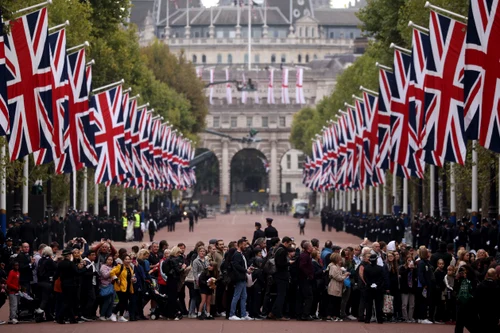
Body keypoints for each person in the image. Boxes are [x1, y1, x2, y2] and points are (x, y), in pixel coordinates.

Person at [229, 238, 252, 321]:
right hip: (239, 277)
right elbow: (237, 266)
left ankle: (243, 314)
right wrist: (246, 270)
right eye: (244, 245)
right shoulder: (237, 254)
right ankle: (232, 314)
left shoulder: (241, 254)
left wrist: (247, 269)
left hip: (242, 277)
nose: (245, 246)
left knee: (244, 296)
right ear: (240, 244)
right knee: (237, 296)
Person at [110, 254, 135, 322]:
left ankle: (121, 316)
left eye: (128, 259)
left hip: (128, 287)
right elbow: (112, 272)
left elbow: (132, 276)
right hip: (120, 287)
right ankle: (114, 313)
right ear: (123, 260)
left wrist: (133, 279)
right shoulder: (119, 266)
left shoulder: (130, 267)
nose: (127, 261)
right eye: (126, 259)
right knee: (122, 301)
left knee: (124, 302)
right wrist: (116, 279)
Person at [164, 246, 186, 320]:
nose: (179, 254)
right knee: (173, 298)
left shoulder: (168, 259)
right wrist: (183, 267)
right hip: (173, 280)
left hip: (169, 280)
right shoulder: (173, 260)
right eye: (178, 252)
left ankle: (169, 314)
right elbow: (178, 271)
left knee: (170, 298)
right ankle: (172, 314)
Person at [327, 253, 350, 322]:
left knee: (335, 301)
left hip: (337, 286)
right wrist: (345, 275)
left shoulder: (335, 266)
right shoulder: (334, 267)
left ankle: (333, 315)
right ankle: (332, 315)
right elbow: (338, 277)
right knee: (334, 301)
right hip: (335, 286)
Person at [476, 268, 500, 332]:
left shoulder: (480, 286)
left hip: (482, 312)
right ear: (495, 275)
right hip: (494, 313)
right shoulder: (497, 287)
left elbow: (476, 299)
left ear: (487, 275)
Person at [364, 254, 385, 324]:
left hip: (369, 288)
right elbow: (382, 278)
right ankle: (379, 319)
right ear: (376, 260)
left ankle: (367, 319)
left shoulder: (366, 268)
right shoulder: (380, 268)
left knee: (368, 304)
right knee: (378, 304)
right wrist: (376, 284)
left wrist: (370, 284)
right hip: (378, 288)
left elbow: (365, 278)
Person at [399, 256, 416, 322]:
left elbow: (416, 276)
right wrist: (408, 268)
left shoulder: (414, 269)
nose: (410, 262)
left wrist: (413, 269)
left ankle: (410, 317)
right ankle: (405, 317)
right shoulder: (402, 268)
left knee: (412, 305)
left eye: (411, 260)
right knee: (404, 304)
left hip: (412, 288)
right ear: (406, 261)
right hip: (405, 288)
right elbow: (403, 275)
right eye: (408, 260)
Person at [99, 255, 115, 321]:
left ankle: (109, 314)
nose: (110, 261)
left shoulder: (112, 267)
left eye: (111, 260)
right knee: (107, 301)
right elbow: (105, 275)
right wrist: (112, 271)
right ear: (106, 260)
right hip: (105, 285)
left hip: (112, 285)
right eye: (109, 259)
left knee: (112, 301)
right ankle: (102, 314)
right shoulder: (103, 266)